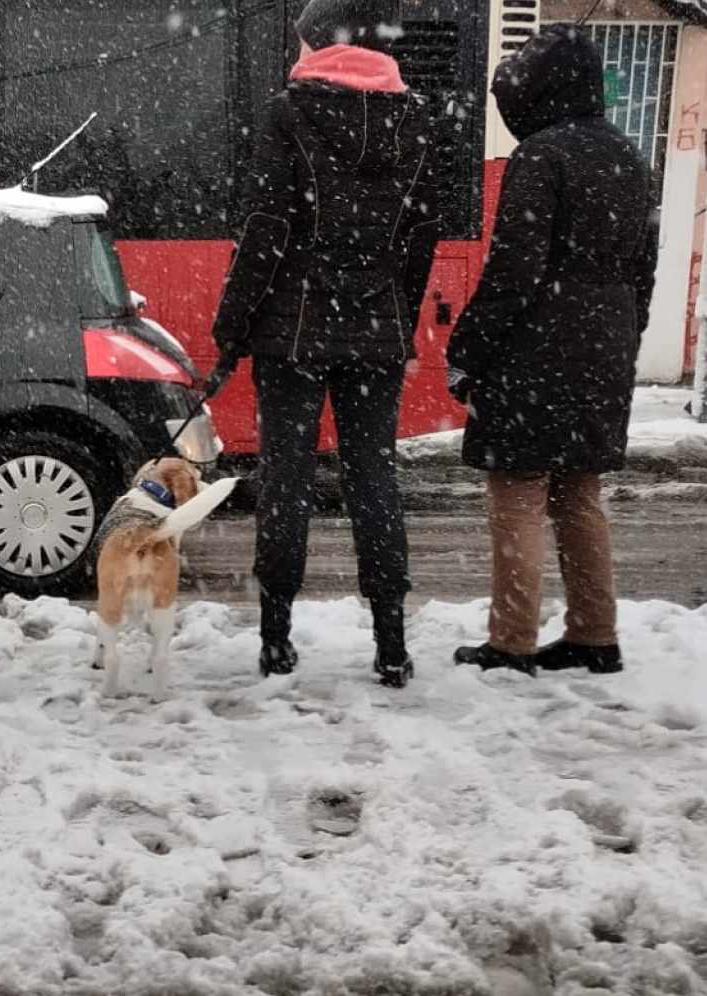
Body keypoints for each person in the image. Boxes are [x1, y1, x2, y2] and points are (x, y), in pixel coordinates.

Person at [201, 0, 442, 689]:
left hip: (293, 331)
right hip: (378, 332)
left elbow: (267, 227)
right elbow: (420, 235)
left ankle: (276, 640)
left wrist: (231, 330)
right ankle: (390, 647)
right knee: (374, 478)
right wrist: (400, 308)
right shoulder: (414, 119)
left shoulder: (289, 111)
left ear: (319, 41)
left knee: (287, 480)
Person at [446, 24, 656, 677]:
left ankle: (512, 641)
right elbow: (643, 272)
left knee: (518, 492)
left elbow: (513, 271)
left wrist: (468, 348)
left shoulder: (542, 157)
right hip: (605, 347)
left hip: (535, 350)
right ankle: (595, 633)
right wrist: (619, 339)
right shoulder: (630, 156)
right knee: (579, 493)